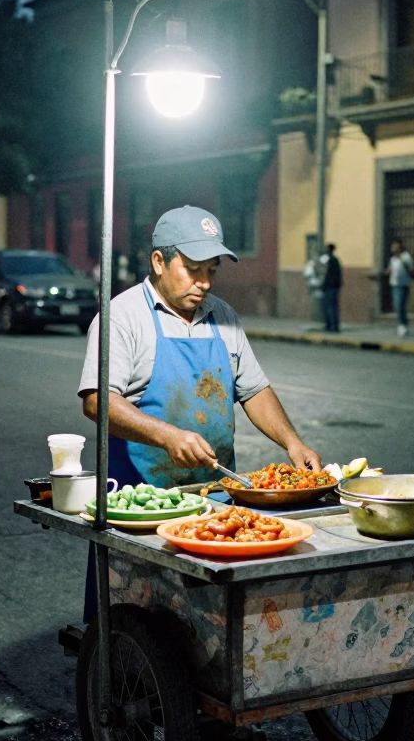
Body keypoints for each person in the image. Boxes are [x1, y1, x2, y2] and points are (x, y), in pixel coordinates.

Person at [78, 205, 322, 619]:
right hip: (144, 498)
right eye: (193, 269)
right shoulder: (122, 316)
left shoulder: (222, 316)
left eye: (212, 270)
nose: (205, 282)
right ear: (159, 261)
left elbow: (254, 389)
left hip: (214, 495)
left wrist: (292, 441)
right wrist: (167, 436)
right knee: (136, 613)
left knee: (207, 618)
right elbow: (98, 401)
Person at [385, 237, 414, 336]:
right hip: (394, 284)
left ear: (400, 246)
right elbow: (390, 269)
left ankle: (402, 325)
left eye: (395, 245)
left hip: (403, 284)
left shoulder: (406, 256)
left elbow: (411, 269)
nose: (393, 247)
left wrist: (401, 259)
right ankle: (402, 324)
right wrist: (388, 271)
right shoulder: (393, 259)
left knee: (400, 305)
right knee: (397, 306)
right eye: (392, 246)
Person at [320, 243, 342, 332]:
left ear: (329, 250)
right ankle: (334, 326)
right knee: (334, 307)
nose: (325, 250)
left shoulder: (330, 260)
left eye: (326, 249)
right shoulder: (335, 260)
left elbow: (326, 273)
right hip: (334, 286)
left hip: (330, 287)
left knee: (329, 307)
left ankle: (331, 326)